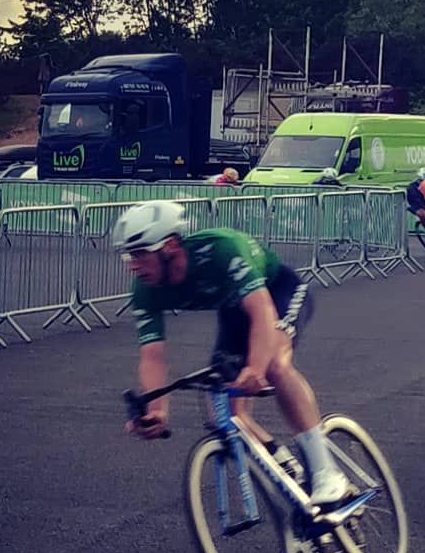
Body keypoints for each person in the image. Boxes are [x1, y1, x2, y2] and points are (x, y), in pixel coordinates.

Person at [113, 200, 351, 506]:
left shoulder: (221, 250)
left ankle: (327, 473)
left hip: (276, 291)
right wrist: (157, 409)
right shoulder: (145, 290)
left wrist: (255, 366)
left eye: (140, 253)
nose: (133, 264)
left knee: (275, 366)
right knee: (228, 414)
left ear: (170, 245)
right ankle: (288, 468)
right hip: (234, 312)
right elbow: (152, 355)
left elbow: (262, 310)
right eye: (128, 255)